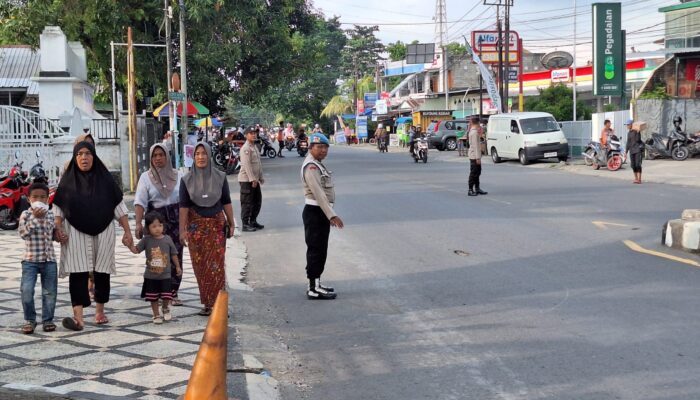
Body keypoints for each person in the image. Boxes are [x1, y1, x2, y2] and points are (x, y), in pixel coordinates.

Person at [54, 141, 133, 331]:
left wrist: (128, 232)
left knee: (102, 273)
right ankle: (78, 318)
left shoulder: (105, 180)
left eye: (88, 154)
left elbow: (119, 208)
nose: (84, 157)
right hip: (75, 232)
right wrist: (58, 228)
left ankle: (100, 311)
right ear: (75, 157)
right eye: (79, 154)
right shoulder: (67, 182)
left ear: (94, 156)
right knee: (78, 273)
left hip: (103, 231)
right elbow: (58, 209)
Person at [179, 142, 235, 316]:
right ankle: (207, 304)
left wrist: (231, 222)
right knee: (201, 266)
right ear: (193, 157)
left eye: (204, 153)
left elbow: (226, 200)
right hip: (195, 227)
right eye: (197, 154)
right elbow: (183, 207)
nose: (201, 157)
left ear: (209, 155)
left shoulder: (220, 176)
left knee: (217, 266)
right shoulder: (186, 180)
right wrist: (182, 230)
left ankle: (220, 304)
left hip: (217, 226)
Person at [134, 144, 185, 305]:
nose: (157, 158)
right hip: (155, 221)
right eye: (154, 155)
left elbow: (185, 201)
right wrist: (138, 224)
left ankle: (172, 292)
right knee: (157, 256)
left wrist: (185, 226)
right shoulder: (145, 177)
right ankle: (156, 290)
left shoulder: (179, 175)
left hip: (176, 221)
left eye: (161, 155)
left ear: (167, 156)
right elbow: (140, 202)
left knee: (175, 254)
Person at [301, 133, 344, 300]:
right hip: (315, 212)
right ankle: (313, 288)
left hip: (319, 213)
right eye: (319, 147)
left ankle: (316, 282)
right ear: (311, 148)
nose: (323, 150)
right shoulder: (311, 167)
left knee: (320, 249)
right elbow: (319, 193)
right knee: (316, 250)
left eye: (326, 147)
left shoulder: (317, 165)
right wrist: (332, 216)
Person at [18, 181, 57, 334]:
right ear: (29, 199)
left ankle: (48, 320)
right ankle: (30, 320)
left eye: (43, 197)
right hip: (30, 260)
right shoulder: (26, 215)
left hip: (49, 259)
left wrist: (59, 235)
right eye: (35, 197)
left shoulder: (51, 214)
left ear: (48, 199)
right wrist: (34, 218)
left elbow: (52, 234)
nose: (39, 200)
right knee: (26, 290)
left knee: (50, 292)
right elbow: (23, 234)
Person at [130, 211, 182, 324]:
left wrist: (178, 266)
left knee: (166, 295)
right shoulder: (146, 240)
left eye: (160, 225)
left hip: (166, 275)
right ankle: (156, 314)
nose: (158, 228)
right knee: (153, 297)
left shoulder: (167, 239)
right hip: (151, 275)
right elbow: (136, 250)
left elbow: (173, 254)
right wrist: (129, 245)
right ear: (148, 228)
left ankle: (165, 308)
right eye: (154, 226)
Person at [238, 127, 265, 232]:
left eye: (255, 133)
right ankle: (245, 224)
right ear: (246, 135)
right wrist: (252, 179)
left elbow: (258, 164)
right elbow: (247, 165)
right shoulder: (245, 148)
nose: (254, 135)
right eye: (251, 133)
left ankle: (253, 221)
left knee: (257, 201)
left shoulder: (254, 147)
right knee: (247, 203)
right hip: (246, 180)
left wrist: (260, 177)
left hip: (254, 179)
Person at [468, 116, 487, 197]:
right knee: (474, 173)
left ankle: (477, 188)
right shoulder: (474, 132)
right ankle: (470, 189)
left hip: (475, 155)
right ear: (477, 123)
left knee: (477, 172)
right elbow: (475, 146)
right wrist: (478, 158)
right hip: (474, 156)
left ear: (472, 122)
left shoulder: (475, 131)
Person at [625, 118, 644, 184]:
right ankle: (635, 178)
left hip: (637, 150)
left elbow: (638, 140)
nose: (627, 126)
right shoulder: (629, 133)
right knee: (633, 165)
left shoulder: (636, 131)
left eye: (628, 124)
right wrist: (626, 152)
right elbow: (628, 143)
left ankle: (639, 179)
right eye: (626, 125)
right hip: (631, 151)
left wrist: (638, 132)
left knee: (638, 165)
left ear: (631, 124)